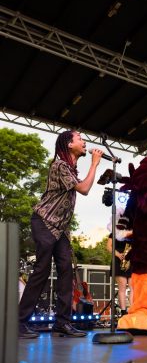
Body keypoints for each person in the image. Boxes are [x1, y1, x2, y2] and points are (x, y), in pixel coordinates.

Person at [19, 130, 103, 338]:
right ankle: (19, 322)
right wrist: (94, 164)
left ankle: (62, 323)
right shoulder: (60, 165)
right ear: (68, 144)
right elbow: (84, 189)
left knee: (67, 273)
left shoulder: (70, 168)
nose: (84, 142)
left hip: (61, 229)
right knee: (42, 271)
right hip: (45, 221)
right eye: (80, 139)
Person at [106, 209, 133, 316]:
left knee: (133, 287)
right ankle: (123, 312)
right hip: (119, 260)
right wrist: (118, 254)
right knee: (122, 287)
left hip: (131, 261)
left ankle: (133, 310)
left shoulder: (132, 233)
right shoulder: (114, 232)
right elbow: (108, 247)